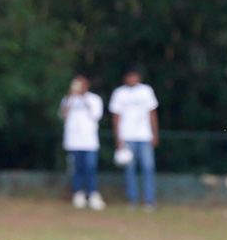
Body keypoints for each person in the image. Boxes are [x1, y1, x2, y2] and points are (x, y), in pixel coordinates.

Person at [108, 69, 158, 209]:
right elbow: (116, 117)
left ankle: (149, 200)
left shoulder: (146, 91)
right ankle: (133, 200)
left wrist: (155, 133)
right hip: (127, 137)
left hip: (145, 136)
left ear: (139, 77)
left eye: (134, 76)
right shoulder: (119, 93)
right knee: (129, 169)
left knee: (148, 167)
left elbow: (152, 113)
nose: (131, 79)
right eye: (129, 76)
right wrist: (118, 137)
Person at [60, 75, 105, 210]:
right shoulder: (68, 99)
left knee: (90, 167)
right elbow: (62, 115)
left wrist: (83, 97)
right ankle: (78, 194)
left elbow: (97, 115)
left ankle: (92, 194)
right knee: (76, 168)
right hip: (73, 140)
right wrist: (70, 96)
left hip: (89, 141)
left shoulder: (94, 99)